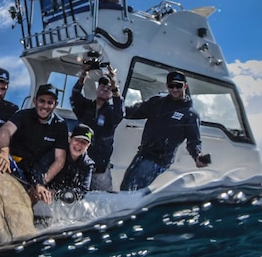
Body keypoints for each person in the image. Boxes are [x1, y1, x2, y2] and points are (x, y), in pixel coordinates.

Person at [120, 71, 207, 192]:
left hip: (159, 159)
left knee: (132, 188)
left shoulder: (190, 114)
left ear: (185, 86)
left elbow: (194, 141)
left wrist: (197, 155)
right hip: (143, 153)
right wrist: (112, 105)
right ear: (167, 86)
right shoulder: (156, 102)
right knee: (126, 186)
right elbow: (133, 112)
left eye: (179, 86)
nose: (175, 89)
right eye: (171, 86)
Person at [0, 84, 69, 191]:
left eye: (50, 102)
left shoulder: (60, 125)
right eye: (42, 101)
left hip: (37, 171)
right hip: (14, 163)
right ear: (35, 101)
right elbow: (4, 131)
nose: (45, 106)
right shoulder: (23, 115)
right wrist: (4, 152)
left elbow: (60, 159)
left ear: (55, 104)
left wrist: (42, 183)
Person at [70, 63, 124, 192]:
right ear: (97, 88)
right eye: (102, 85)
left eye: (109, 88)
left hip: (100, 168)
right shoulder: (86, 107)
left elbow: (120, 112)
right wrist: (84, 74)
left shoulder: (112, 112)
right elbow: (75, 95)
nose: (105, 89)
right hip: (80, 164)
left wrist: (115, 85)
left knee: (102, 200)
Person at [30, 123, 95, 205]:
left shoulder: (87, 164)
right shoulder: (57, 152)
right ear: (70, 139)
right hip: (43, 193)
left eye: (84, 142)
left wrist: (59, 194)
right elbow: (38, 168)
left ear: (88, 146)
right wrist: (39, 185)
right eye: (77, 140)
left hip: (64, 200)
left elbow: (83, 190)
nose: (79, 144)